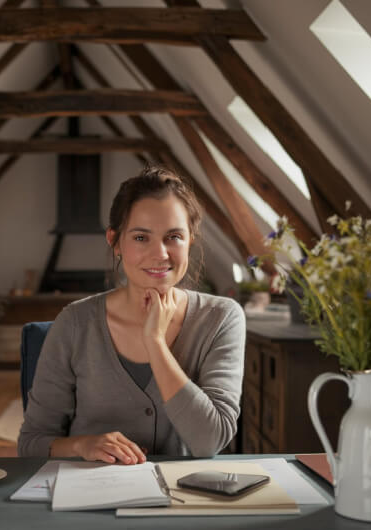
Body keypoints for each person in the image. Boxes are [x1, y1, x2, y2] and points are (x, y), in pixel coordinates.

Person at [18, 166, 245, 463]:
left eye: (174, 236)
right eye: (140, 238)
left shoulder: (221, 318)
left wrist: (156, 343)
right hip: (88, 497)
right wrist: (81, 446)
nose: (160, 254)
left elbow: (209, 441)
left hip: (181, 502)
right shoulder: (74, 323)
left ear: (190, 239)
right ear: (115, 242)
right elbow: (31, 443)